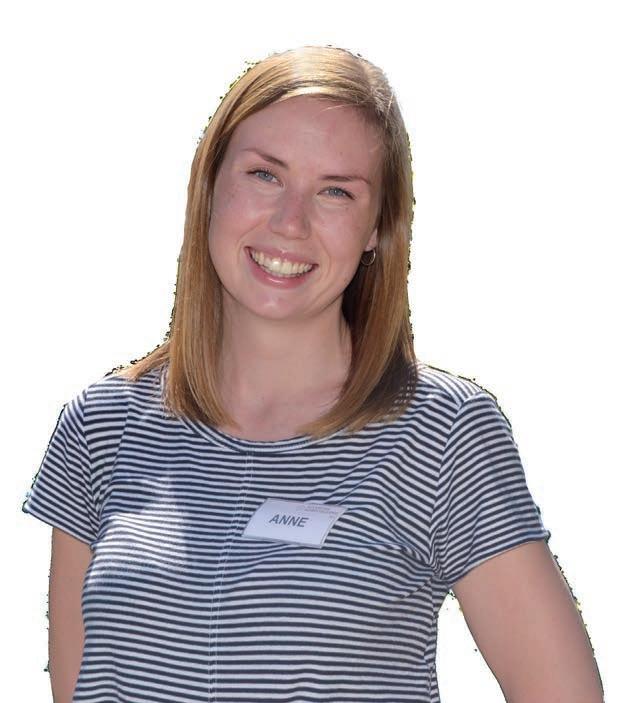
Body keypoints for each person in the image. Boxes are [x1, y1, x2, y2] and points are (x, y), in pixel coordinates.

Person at [22, 45, 603, 703]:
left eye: (335, 191)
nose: (289, 222)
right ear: (210, 186)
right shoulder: (103, 425)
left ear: (377, 228)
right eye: (264, 175)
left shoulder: (442, 434)